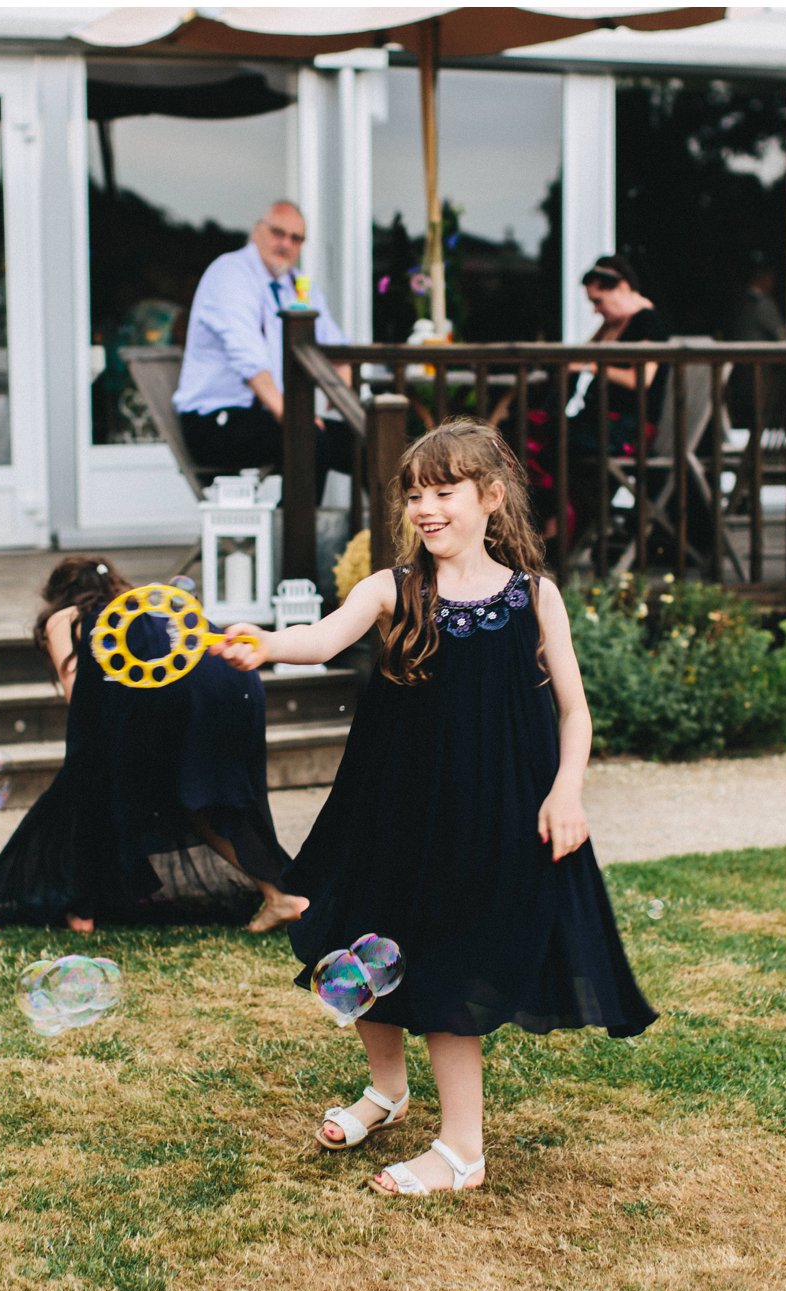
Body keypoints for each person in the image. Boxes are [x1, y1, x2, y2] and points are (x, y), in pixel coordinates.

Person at [214, 418, 657, 1196]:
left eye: (442, 491)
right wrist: (263, 644)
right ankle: (387, 1090)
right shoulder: (393, 589)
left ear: (490, 497)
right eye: (414, 494)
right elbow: (319, 640)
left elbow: (575, 713)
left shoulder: (534, 597)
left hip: (492, 812)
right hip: (390, 808)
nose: (425, 507)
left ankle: (461, 1151)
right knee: (356, 942)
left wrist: (568, 790)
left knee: (453, 965)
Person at [0, 556, 308, 934]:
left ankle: (80, 907)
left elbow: (79, 696)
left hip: (171, 696)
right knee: (206, 798)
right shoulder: (144, 606)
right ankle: (282, 895)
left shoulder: (64, 618)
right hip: (233, 682)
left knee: (87, 790)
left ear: (59, 594)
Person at [173, 201, 354, 483]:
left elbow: (336, 348)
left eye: (295, 238)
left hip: (264, 416)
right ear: (257, 231)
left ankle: (387, 527)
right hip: (215, 420)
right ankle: (298, 527)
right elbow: (250, 362)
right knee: (310, 441)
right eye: (277, 233)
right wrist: (297, 419)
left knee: (360, 442)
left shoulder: (296, 285)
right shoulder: (230, 273)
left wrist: (344, 398)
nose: (285, 244)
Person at [524, 256, 672, 537]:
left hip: (627, 428)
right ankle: (557, 522)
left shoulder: (648, 323)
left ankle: (560, 527)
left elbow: (641, 380)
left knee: (551, 443)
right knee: (533, 433)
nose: (595, 310)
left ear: (622, 288)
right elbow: (580, 357)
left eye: (598, 301)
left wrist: (593, 365)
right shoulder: (613, 325)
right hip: (598, 422)